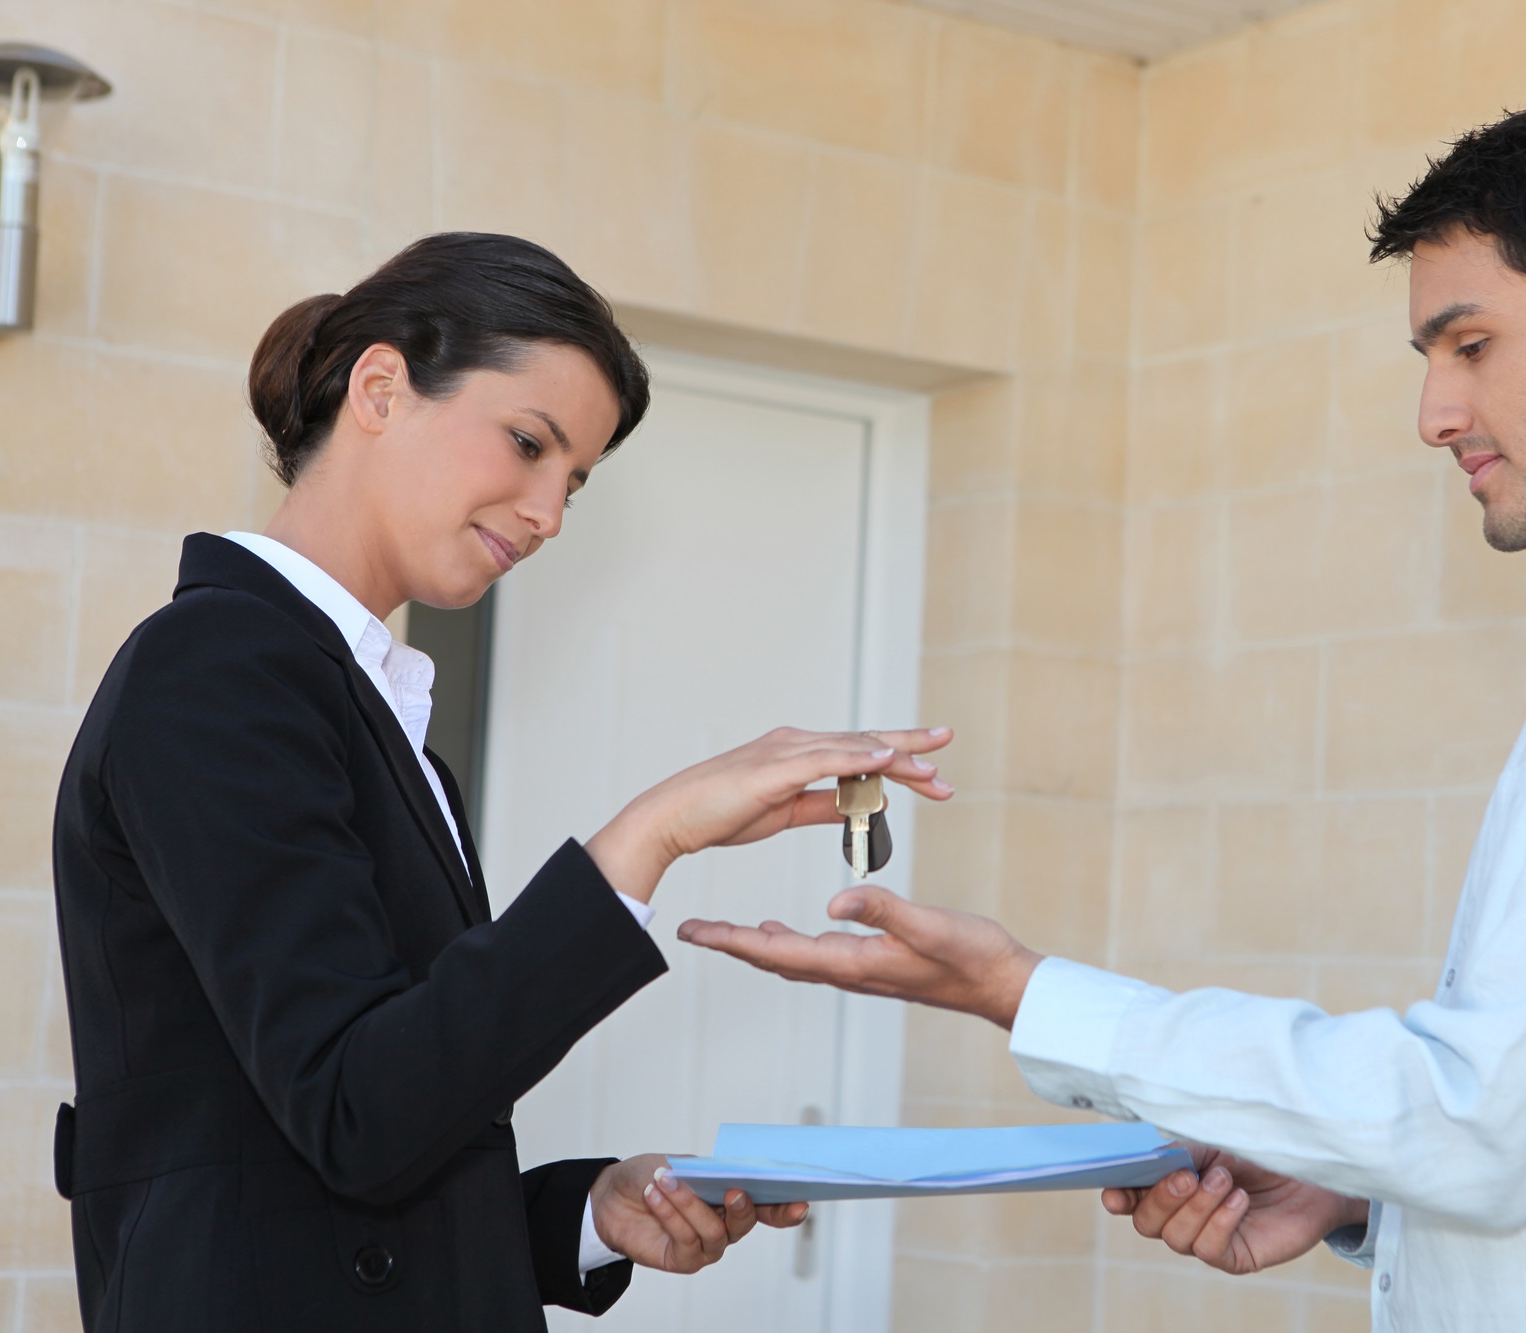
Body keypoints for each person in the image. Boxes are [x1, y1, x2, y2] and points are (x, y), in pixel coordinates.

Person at [677, 97, 1526, 1329]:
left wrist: (1024, 992)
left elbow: (1483, 1112)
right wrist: (1359, 1191)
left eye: (1470, 346)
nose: (1432, 415)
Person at [50, 231, 955, 1332]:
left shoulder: (372, 714)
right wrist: (650, 835)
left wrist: (581, 1210)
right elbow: (356, 1112)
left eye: (572, 480)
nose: (549, 514)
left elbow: (354, 1137)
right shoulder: (218, 667)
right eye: (527, 444)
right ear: (380, 387)